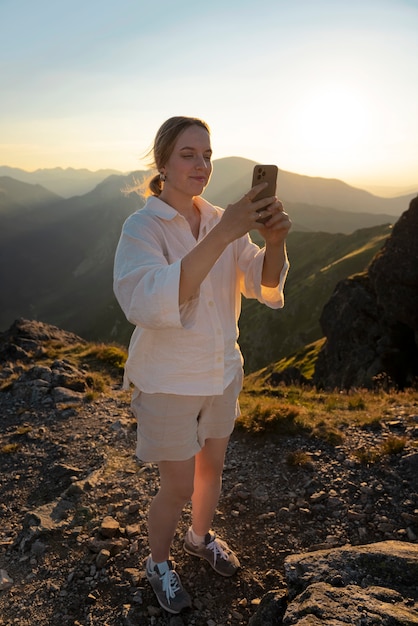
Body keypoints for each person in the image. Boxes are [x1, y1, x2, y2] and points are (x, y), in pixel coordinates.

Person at [113, 116, 291, 614]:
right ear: (163, 162)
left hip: (220, 371)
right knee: (177, 482)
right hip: (169, 379)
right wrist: (229, 229)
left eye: (208, 155)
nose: (202, 164)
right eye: (189, 154)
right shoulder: (143, 228)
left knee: (211, 468)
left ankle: (199, 537)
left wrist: (273, 242)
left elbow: (263, 283)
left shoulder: (218, 218)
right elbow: (149, 301)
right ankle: (158, 563)